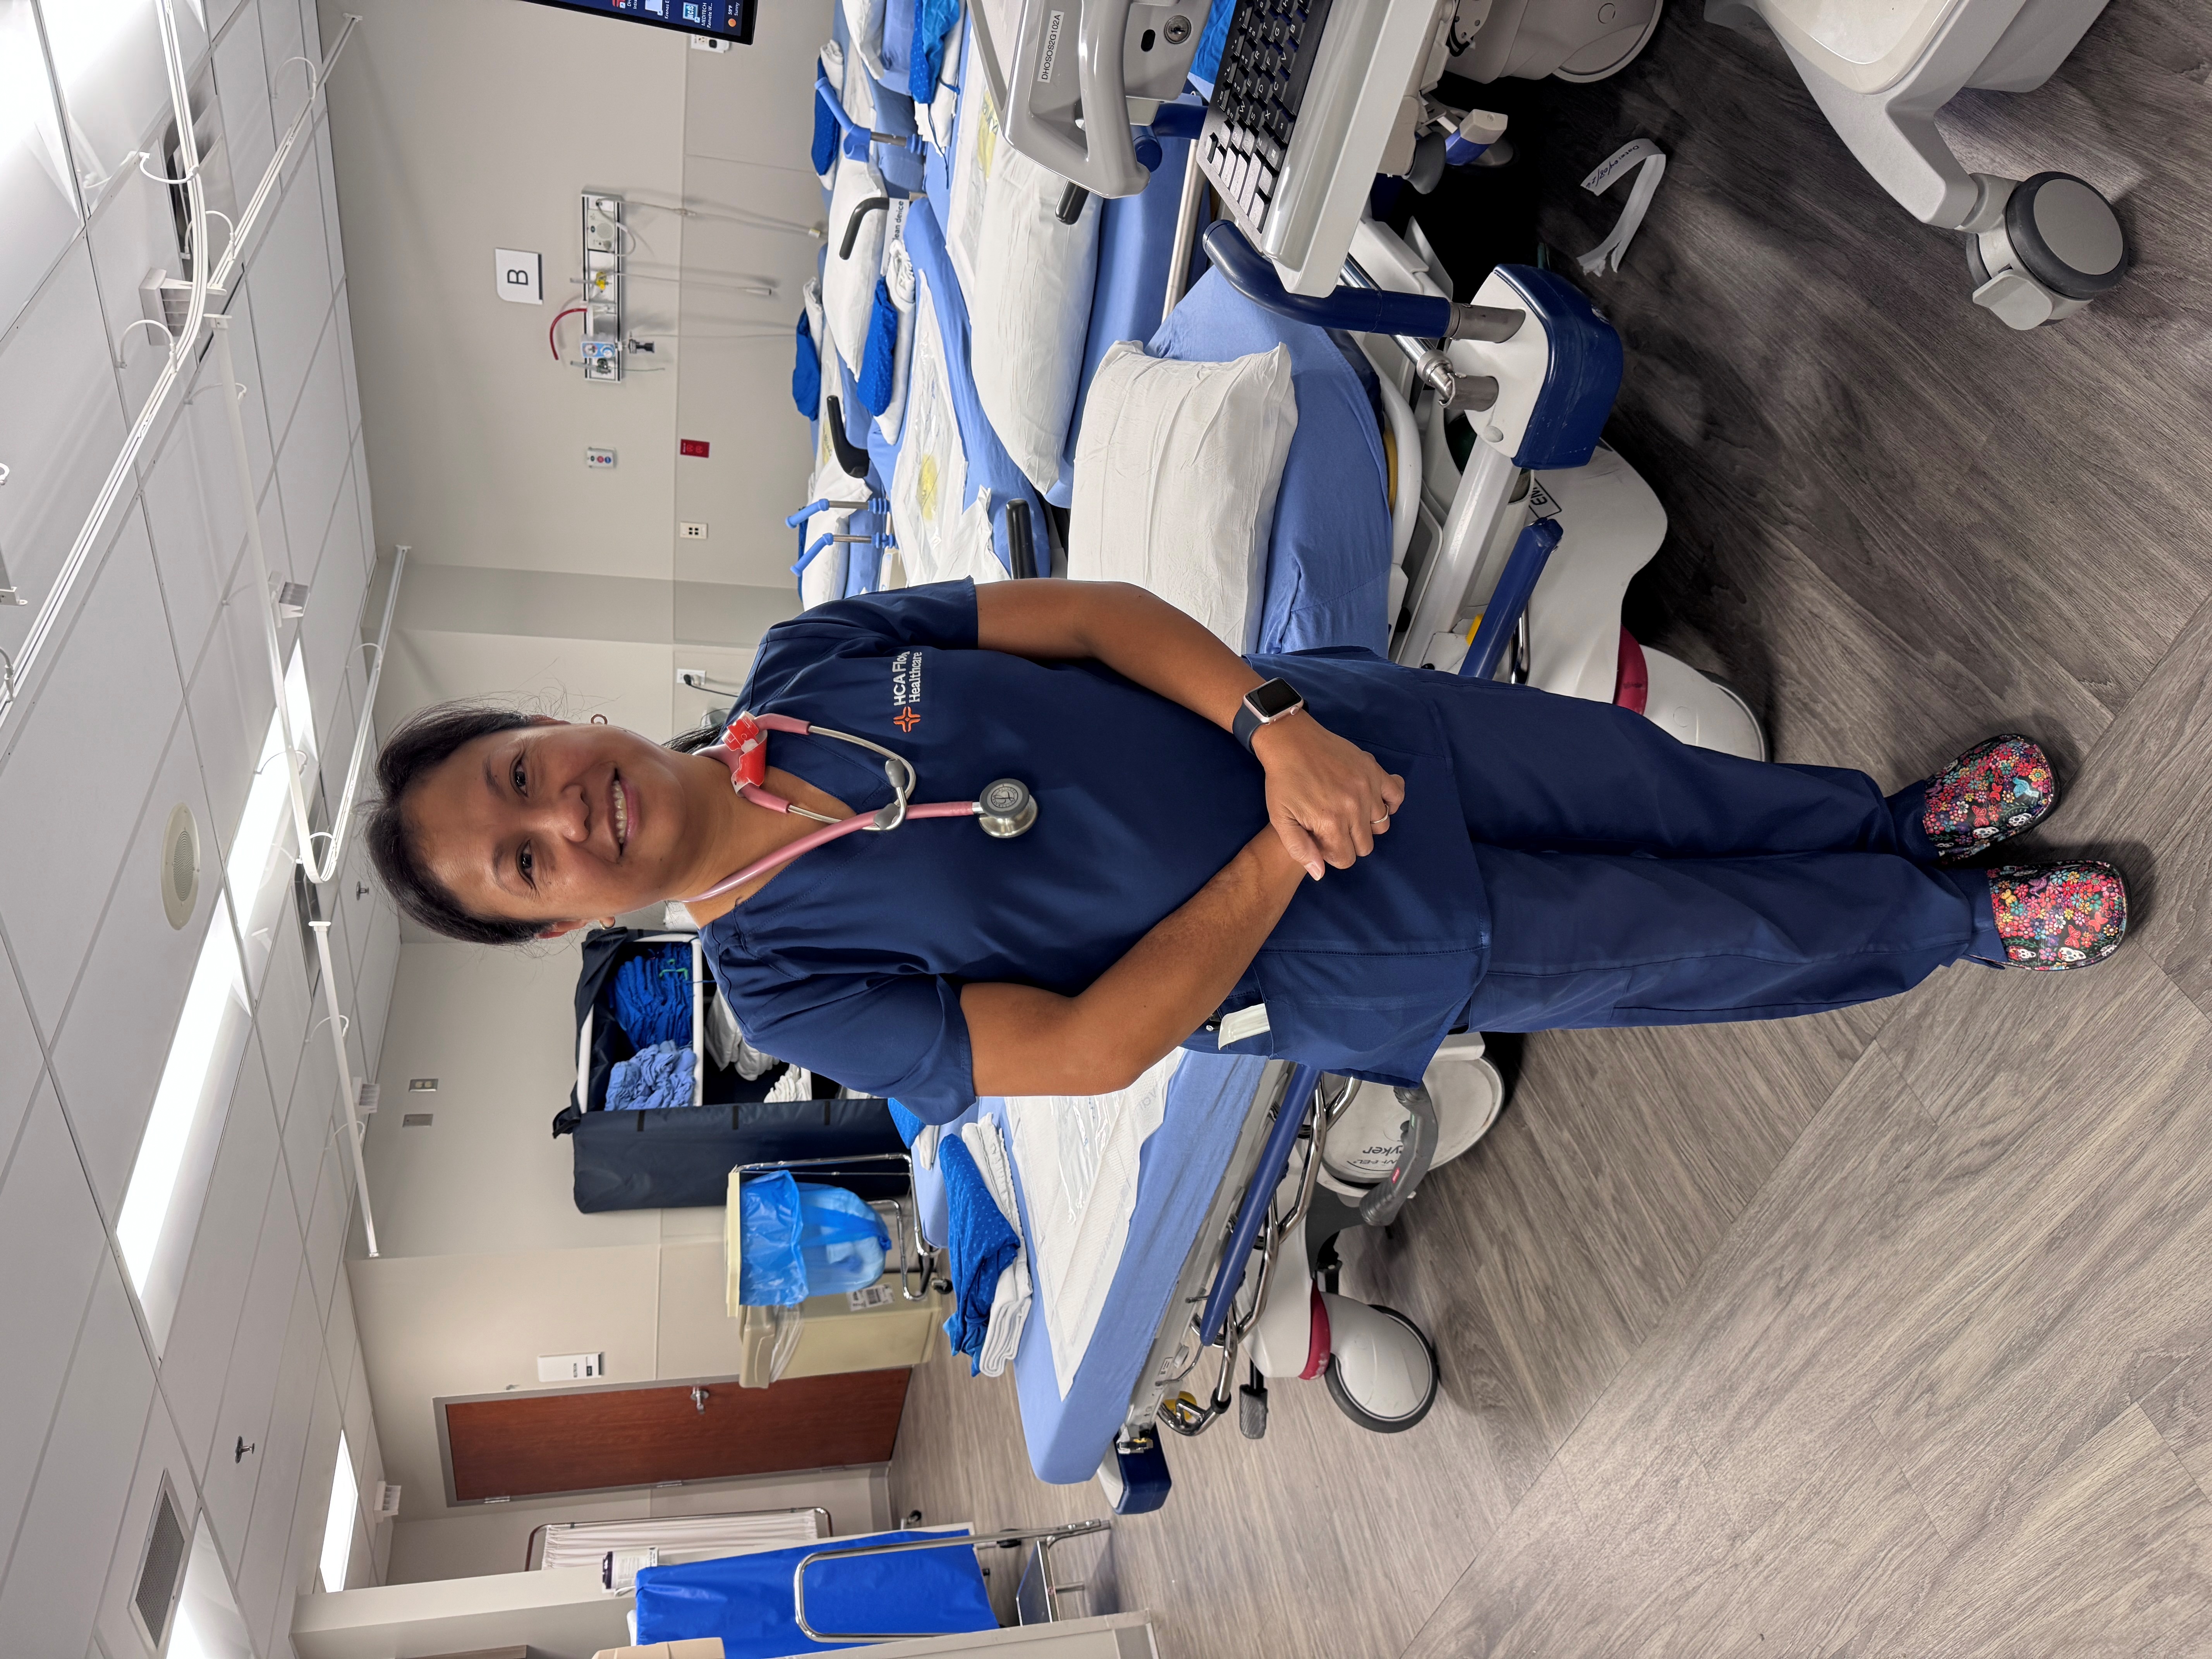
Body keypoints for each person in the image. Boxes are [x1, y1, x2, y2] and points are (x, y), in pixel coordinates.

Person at [365, 580, 2125, 1123]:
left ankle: (1890, 825)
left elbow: (1092, 619)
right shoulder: (785, 981)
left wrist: (1279, 726)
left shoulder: (811, 663)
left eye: (521, 769)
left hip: (1354, 735)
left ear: (550, 721)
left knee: (1668, 791)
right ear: (550, 934)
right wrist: (1289, 855)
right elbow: (1086, 1048)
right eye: (522, 861)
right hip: (1348, 929)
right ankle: (1954, 926)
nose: (559, 811)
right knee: (1692, 940)